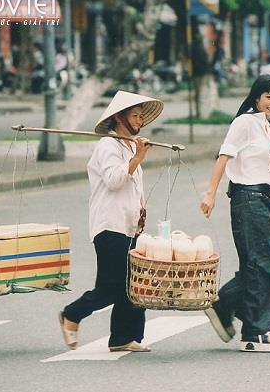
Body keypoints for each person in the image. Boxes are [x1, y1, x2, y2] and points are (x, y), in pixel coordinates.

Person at [200, 75, 270, 352]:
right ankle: (257, 332)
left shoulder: (264, 126)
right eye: (269, 96)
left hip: (263, 198)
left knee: (269, 263)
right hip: (248, 199)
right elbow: (224, 156)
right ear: (256, 97)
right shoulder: (244, 122)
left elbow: (264, 164)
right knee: (262, 265)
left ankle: (224, 304)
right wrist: (210, 193)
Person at [59, 90, 163, 352]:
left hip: (130, 226)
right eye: (134, 115)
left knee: (135, 285)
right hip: (110, 226)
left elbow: (134, 188)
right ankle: (72, 314)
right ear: (119, 117)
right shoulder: (108, 146)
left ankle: (123, 337)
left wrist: (141, 212)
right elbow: (114, 181)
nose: (139, 121)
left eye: (141, 116)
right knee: (110, 287)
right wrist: (137, 157)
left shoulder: (129, 146)